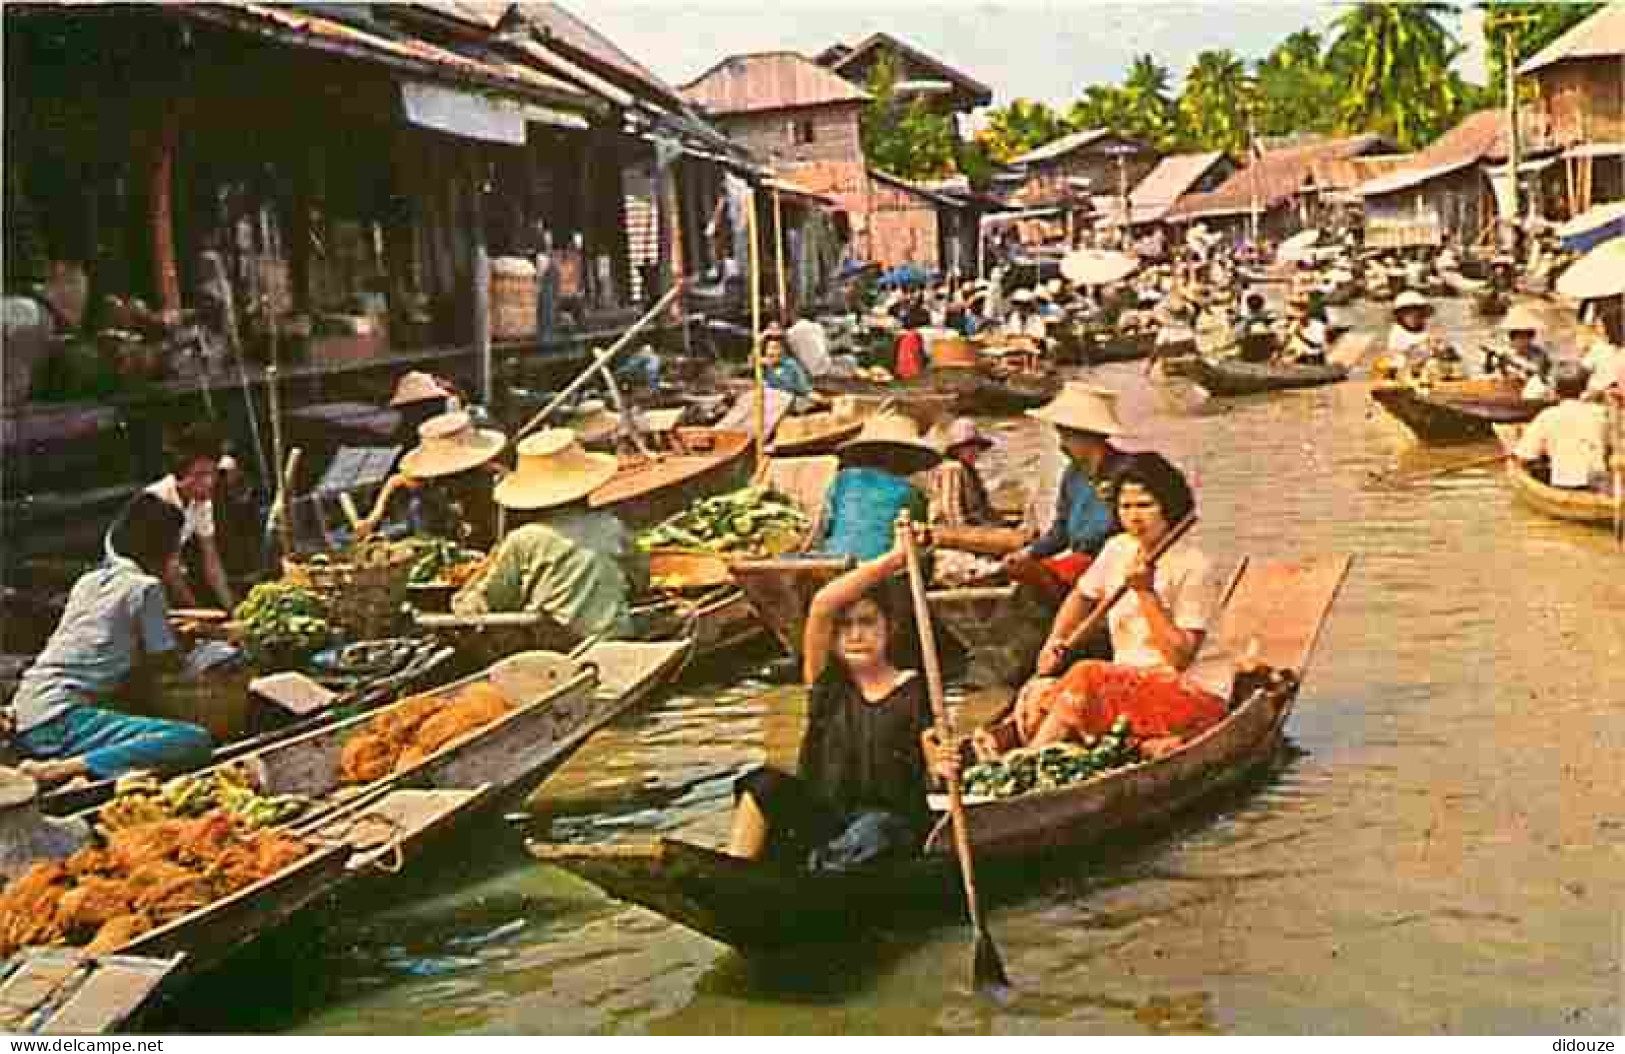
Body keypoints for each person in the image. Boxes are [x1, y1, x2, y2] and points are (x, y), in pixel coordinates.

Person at [726, 527, 958, 868]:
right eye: (845, 627)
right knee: (763, 783)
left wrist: (944, 765)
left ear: (888, 628)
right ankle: (736, 871)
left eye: (866, 623)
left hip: (889, 824)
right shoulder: (828, 684)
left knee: (873, 831)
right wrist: (895, 558)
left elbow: (933, 751)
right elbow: (823, 605)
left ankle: (818, 872)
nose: (855, 635)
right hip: (828, 820)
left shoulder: (915, 689)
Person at [994, 452, 1223, 757]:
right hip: (1130, 687)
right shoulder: (1118, 549)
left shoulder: (1194, 565)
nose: (1135, 517)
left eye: (1145, 505)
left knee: (1087, 675)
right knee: (1038, 695)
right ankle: (1135, 746)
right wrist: (1056, 641)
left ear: (1169, 506)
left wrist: (1145, 593)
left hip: (1190, 693)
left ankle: (1032, 757)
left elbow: (1180, 657)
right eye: (1125, 507)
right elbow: (1082, 595)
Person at [9, 495, 215, 787]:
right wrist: (191, 637)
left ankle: (76, 766)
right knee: (193, 739)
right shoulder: (145, 588)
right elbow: (167, 661)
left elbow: (101, 637)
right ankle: (61, 769)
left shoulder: (88, 582)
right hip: (59, 720)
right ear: (162, 549)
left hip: (29, 707)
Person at [451, 429, 646, 642]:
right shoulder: (611, 525)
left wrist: (467, 597)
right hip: (613, 635)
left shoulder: (523, 538)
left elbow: (497, 600)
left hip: (555, 643)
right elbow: (639, 579)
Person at [1002, 384, 1131, 600]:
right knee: (1019, 571)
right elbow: (1060, 532)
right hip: (1079, 562)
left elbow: (1116, 533)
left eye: (1067, 437)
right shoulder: (1073, 475)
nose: (1062, 445)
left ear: (1089, 436)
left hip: (1112, 561)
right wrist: (1027, 553)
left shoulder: (1125, 472)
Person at [113, 423, 236, 612]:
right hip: (129, 574)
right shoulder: (158, 503)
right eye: (199, 475)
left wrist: (231, 607)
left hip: (162, 568)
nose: (209, 482)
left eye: (211, 474)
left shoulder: (201, 502)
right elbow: (170, 571)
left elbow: (211, 560)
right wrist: (199, 612)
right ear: (180, 477)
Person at [358, 410, 508, 549]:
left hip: (479, 533)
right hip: (438, 533)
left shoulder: (481, 471)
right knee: (417, 508)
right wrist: (374, 517)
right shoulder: (429, 476)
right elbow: (395, 481)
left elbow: (502, 475)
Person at [814, 414, 939, 562]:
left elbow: (822, 528)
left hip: (835, 562)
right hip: (884, 571)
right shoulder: (911, 493)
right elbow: (919, 539)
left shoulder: (840, 481)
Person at [1514, 363, 1614, 490]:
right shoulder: (1600, 413)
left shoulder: (1547, 416)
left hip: (1565, 481)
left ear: (1556, 391)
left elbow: (1525, 455)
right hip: (1599, 482)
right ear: (1584, 389)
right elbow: (1612, 445)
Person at [927, 418, 999, 528]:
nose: (975, 452)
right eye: (969, 448)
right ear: (956, 450)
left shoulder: (970, 471)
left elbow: (983, 506)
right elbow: (950, 510)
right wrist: (965, 533)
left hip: (976, 525)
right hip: (951, 531)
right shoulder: (952, 468)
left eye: (976, 448)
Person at [1493, 306, 1554, 400]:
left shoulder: (1539, 354)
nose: (1523, 341)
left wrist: (1522, 372)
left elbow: (1541, 376)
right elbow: (1499, 373)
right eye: (1519, 338)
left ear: (1530, 338)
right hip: (1511, 389)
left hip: (1533, 391)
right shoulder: (1506, 354)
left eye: (1525, 337)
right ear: (1513, 339)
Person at [760, 326, 826, 410]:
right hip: (771, 403)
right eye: (769, 348)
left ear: (782, 350)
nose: (771, 352)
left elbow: (805, 390)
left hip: (789, 402)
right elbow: (752, 359)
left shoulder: (791, 365)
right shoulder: (764, 365)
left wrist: (821, 400)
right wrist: (762, 337)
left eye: (776, 348)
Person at [1279, 290, 1329, 366]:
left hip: (1312, 357)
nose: (1300, 318)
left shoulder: (1317, 325)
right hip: (1297, 355)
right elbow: (1286, 341)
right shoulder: (1294, 324)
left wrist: (1300, 335)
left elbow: (1316, 345)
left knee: (1298, 353)